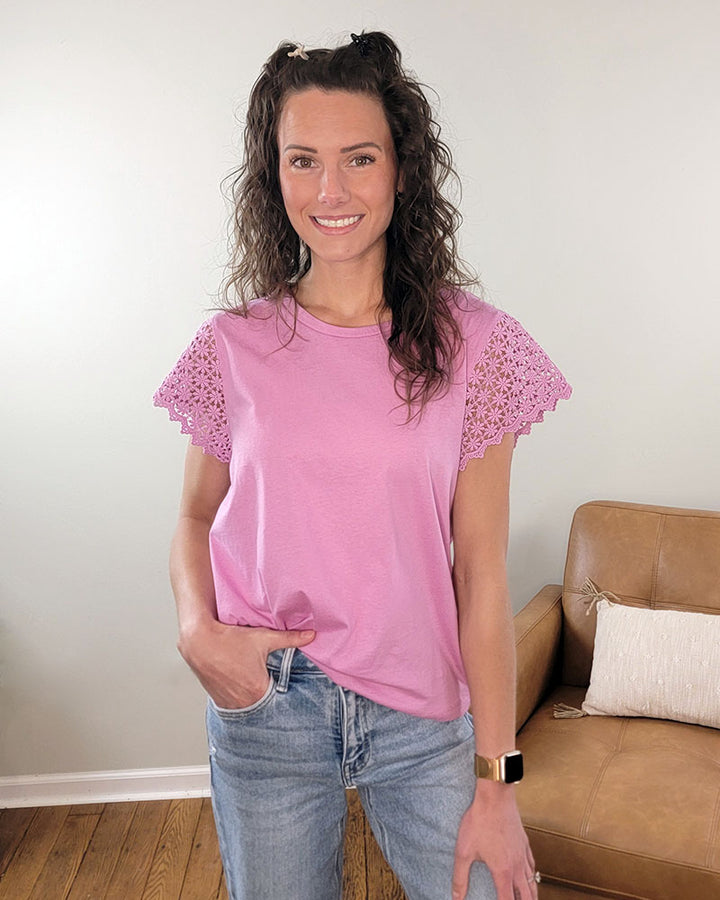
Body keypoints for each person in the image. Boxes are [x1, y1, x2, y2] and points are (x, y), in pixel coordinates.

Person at [154, 30, 571, 900]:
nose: (330, 190)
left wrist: (499, 783)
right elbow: (195, 516)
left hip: (422, 714)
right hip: (270, 702)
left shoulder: (477, 347)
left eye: (359, 158)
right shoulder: (232, 347)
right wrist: (198, 630)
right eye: (302, 160)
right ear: (274, 174)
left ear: (402, 172)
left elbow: (482, 578)